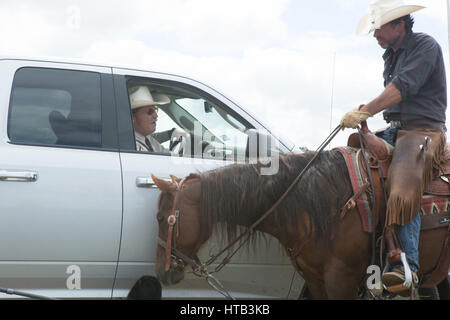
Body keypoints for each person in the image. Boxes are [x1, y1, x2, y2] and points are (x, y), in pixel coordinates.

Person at [340, 0, 447, 294]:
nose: (375, 34)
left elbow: (402, 88)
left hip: (424, 131)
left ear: (399, 25)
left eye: (379, 28)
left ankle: (406, 265)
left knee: (403, 185)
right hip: (396, 129)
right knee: (351, 161)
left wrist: (367, 110)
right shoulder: (391, 54)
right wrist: (368, 116)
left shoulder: (425, 46)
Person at [129, 85, 186, 153]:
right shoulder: (133, 147)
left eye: (155, 110)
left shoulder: (147, 138)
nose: (156, 115)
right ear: (132, 117)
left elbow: (157, 141)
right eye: (150, 111)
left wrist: (170, 133)